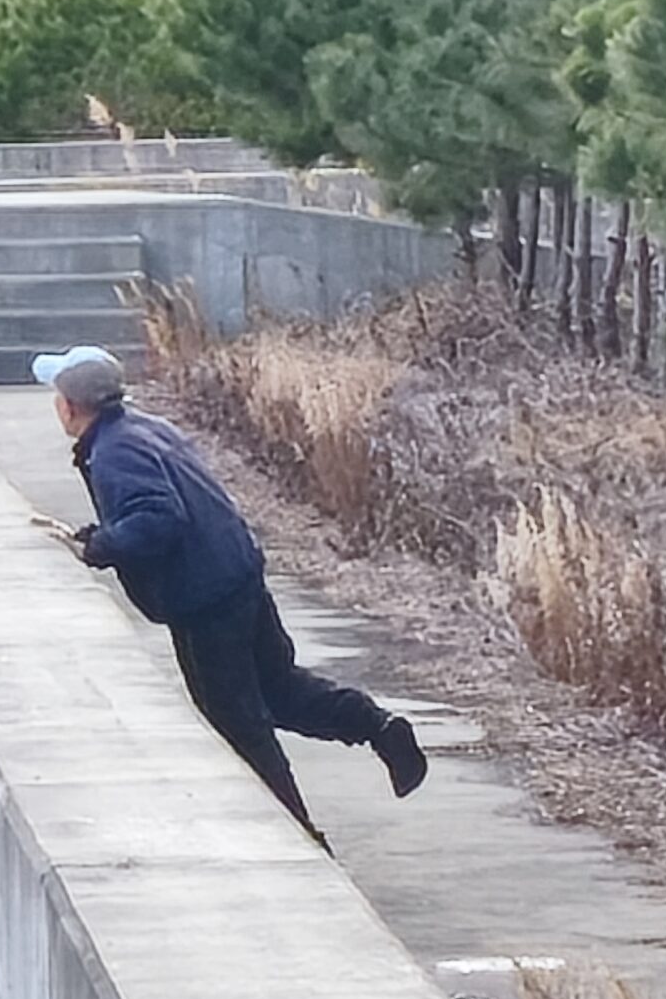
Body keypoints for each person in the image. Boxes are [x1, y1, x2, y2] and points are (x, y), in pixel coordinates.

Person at [28, 345, 426, 847]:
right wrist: (99, 535)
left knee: (237, 723)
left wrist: (102, 546)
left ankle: (296, 840)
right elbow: (165, 507)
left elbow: (160, 517)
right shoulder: (145, 429)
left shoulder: (112, 452)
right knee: (280, 690)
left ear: (69, 406)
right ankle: (381, 728)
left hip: (204, 600)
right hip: (237, 574)